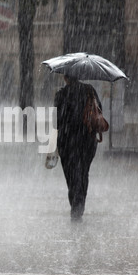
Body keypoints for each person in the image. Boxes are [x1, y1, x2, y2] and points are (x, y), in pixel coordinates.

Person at [53, 75, 103, 221]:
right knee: (83, 172)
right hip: (88, 138)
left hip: (68, 141)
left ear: (65, 77)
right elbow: (99, 109)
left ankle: (75, 204)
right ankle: (79, 205)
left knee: (71, 175)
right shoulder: (89, 90)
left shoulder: (61, 94)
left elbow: (57, 121)